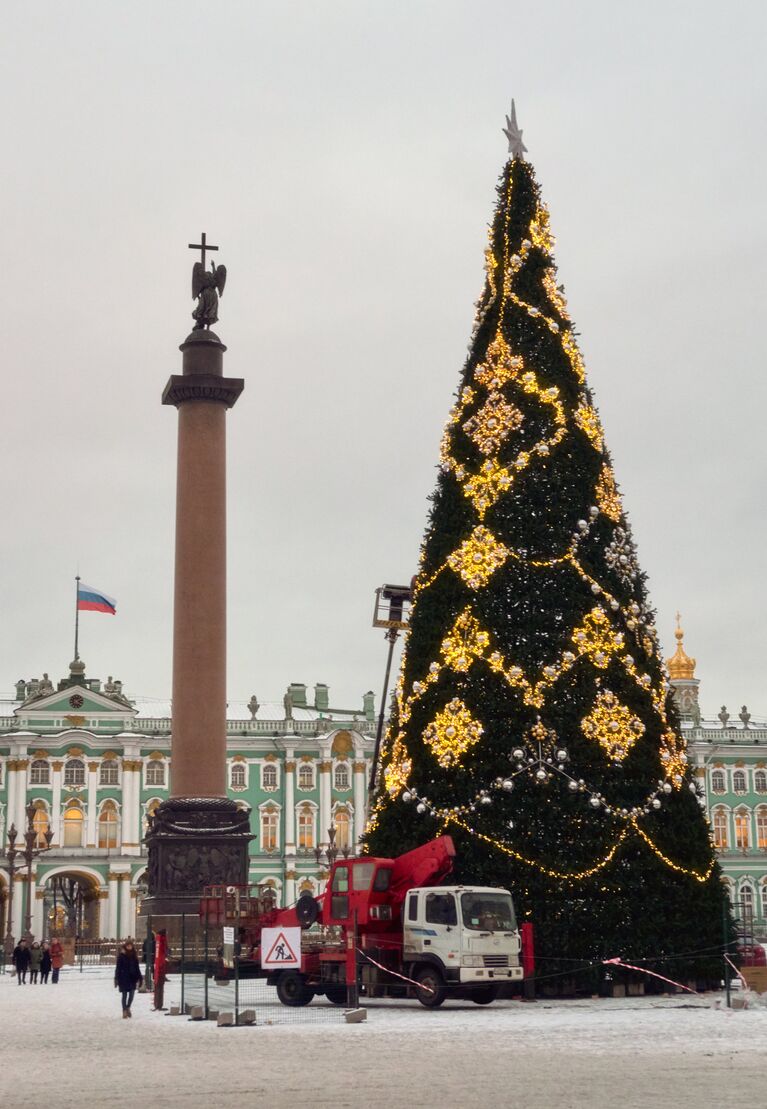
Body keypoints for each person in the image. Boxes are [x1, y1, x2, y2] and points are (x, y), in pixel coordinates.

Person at [114, 940, 143, 1018]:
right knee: (124, 995)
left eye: (130, 946)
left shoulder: (134, 956)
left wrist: (140, 977)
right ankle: (124, 1011)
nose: (129, 947)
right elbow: (118, 968)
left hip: (132, 978)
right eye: (128, 946)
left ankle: (128, 1007)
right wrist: (116, 978)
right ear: (125, 946)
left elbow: (137, 968)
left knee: (131, 995)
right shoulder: (121, 956)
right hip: (123, 978)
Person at [153, 928, 168, 1011]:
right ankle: (159, 1004)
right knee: (160, 986)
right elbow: (164, 952)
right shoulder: (163, 941)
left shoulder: (158, 941)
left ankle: (157, 1004)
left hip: (158, 968)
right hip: (161, 967)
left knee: (158, 986)